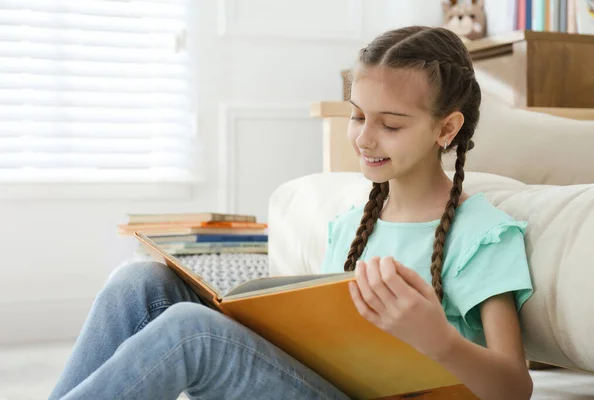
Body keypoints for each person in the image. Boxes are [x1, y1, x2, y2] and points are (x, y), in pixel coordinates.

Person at [49, 26, 534, 400]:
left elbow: (516, 388)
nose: (365, 138)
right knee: (142, 283)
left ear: (446, 128)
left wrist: (438, 340)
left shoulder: (482, 234)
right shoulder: (349, 228)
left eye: (389, 124)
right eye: (358, 116)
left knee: (187, 332)